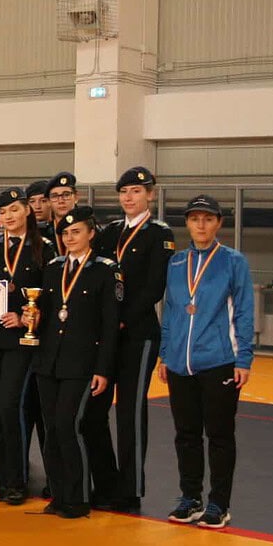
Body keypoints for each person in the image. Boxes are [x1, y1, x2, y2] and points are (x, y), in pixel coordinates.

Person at [159, 194, 253, 530]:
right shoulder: (176, 263)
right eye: (195, 218)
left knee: (219, 435)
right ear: (187, 223)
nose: (201, 225)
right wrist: (165, 353)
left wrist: (244, 358)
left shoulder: (233, 261)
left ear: (218, 224)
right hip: (179, 363)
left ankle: (219, 503)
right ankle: (191, 497)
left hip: (219, 362)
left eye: (208, 219)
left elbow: (244, 312)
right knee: (186, 434)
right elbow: (170, 311)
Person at [91, 166, 175, 513]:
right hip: (106, 335)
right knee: (95, 410)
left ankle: (130, 489)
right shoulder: (110, 232)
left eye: (136, 191)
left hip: (138, 335)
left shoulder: (159, 234)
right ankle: (105, 482)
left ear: (150, 195)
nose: (129, 197)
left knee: (129, 413)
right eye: (124, 192)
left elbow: (154, 286)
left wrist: (120, 319)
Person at [29, 206, 120, 519]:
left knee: (69, 426)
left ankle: (79, 497)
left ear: (91, 233)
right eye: (65, 233)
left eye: (76, 231)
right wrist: (32, 317)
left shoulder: (105, 270)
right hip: (49, 361)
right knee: (52, 430)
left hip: (82, 363)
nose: (70, 237)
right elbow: (47, 312)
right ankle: (58, 495)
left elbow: (110, 326)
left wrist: (103, 369)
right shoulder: (54, 268)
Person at [0, 189, 52, 505]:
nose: (9, 216)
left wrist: (26, 316)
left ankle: (18, 478)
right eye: (3, 212)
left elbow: (50, 295)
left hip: (19, 340)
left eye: (14, 210)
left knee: (10, 406)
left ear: (27, 211)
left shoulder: (43, 248)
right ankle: (1, 477)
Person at [45, 172, 80, 253]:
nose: (61, 201)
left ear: (76, 197)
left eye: (66, 195)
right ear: (48, 202)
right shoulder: (41, 233)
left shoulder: (89, 231)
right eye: (54, 196)